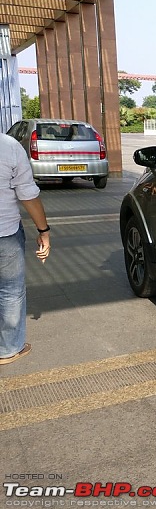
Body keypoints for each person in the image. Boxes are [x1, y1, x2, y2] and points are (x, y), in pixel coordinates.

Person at [0, 132, 50, 365]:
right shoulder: (8, 146)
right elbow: (28, 195)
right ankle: (9, 348)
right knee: (10, 290)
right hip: (4, 233)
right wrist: (43, 231)